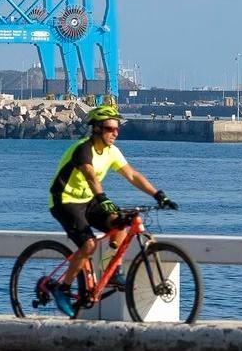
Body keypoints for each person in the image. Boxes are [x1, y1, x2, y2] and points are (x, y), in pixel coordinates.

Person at [45, 104, 178, 316]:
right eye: (110, 129)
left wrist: (158, 194)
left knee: (123, 222)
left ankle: (111, 268)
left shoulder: (112, 151)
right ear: (97, 129)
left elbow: (132, 175)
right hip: (65, 200)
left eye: (117, 129)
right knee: (88, 245)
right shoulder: (83, 149)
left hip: (88, 200)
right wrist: (102, 198)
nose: (115, 133)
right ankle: (62, 288)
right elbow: (91, 176)